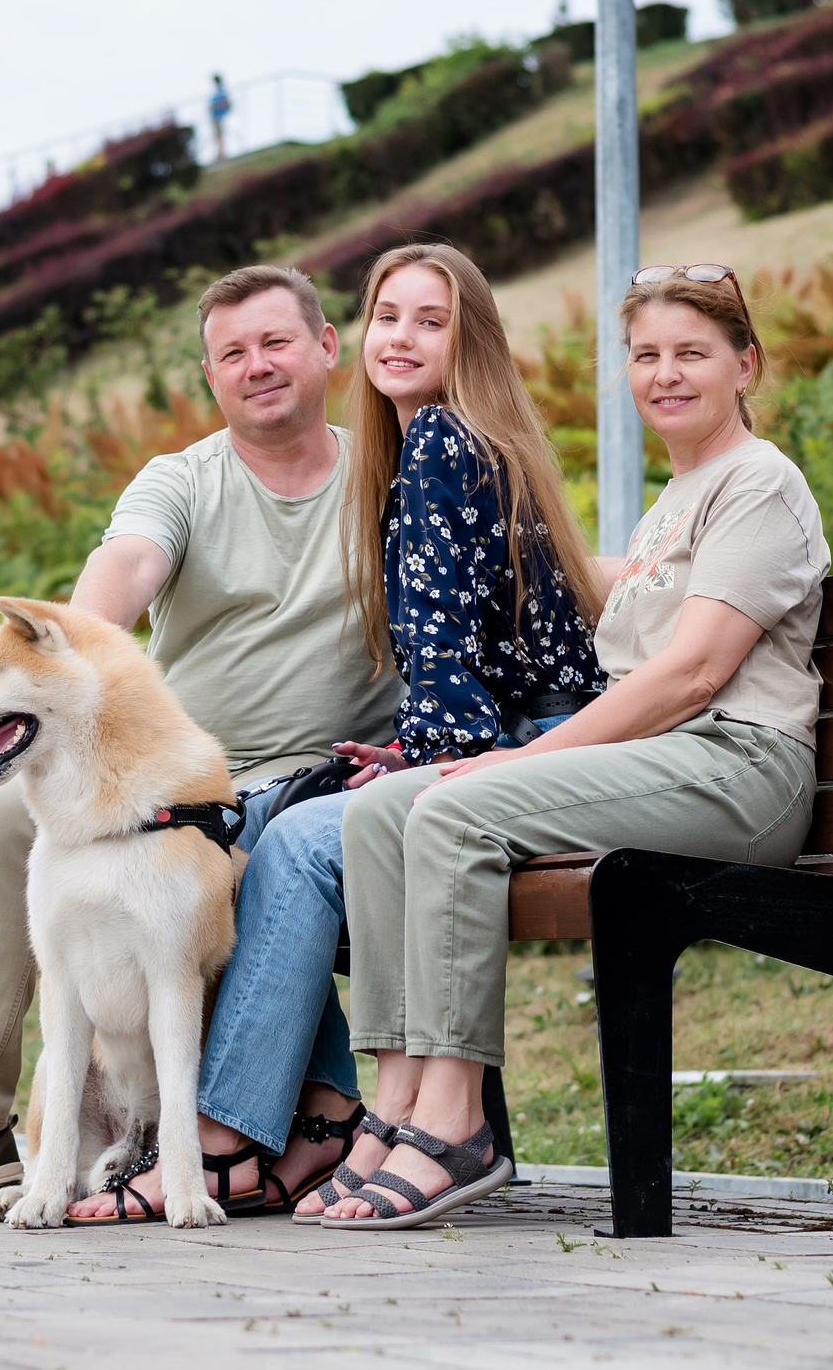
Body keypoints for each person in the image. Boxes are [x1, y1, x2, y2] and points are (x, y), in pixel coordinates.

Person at [0, 264, 401, 1218]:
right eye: (232, 354)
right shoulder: (181, 480)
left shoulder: (385, 479)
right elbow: (124, 568)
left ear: (324, 347)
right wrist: (68, 650)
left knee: (266, 856)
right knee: (8, 824)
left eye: (274, 342)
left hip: (319, 783)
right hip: (172, 777)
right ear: (212, 377)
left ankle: (258, 1133)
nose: (256, 366)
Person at [325, 263, 827, 1229]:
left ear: (746, 364)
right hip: (673, 761)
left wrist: (515, 762)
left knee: (458, 803)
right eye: (647, 355)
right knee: (385, 807)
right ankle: (396, 1100)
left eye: (692, 353)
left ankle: (459, 1118)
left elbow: (690, 675)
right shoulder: (676, 497)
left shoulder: (758, 483)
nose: (665, 374)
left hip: (740, 769)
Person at [185, 242, 611, 1224]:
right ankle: (327, 1122)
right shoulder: (446, 444)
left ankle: (258, 1138)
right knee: (299, 830)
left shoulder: (438, 444)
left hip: (546, 752)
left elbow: (448, 653)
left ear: (469, 339)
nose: (403, 336)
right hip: (523, 733)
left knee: (294, 841)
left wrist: (430, 761)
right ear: (361, 334)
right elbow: (459, 653)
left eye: (431, 318)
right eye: (389, 315)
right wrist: (415, 751)